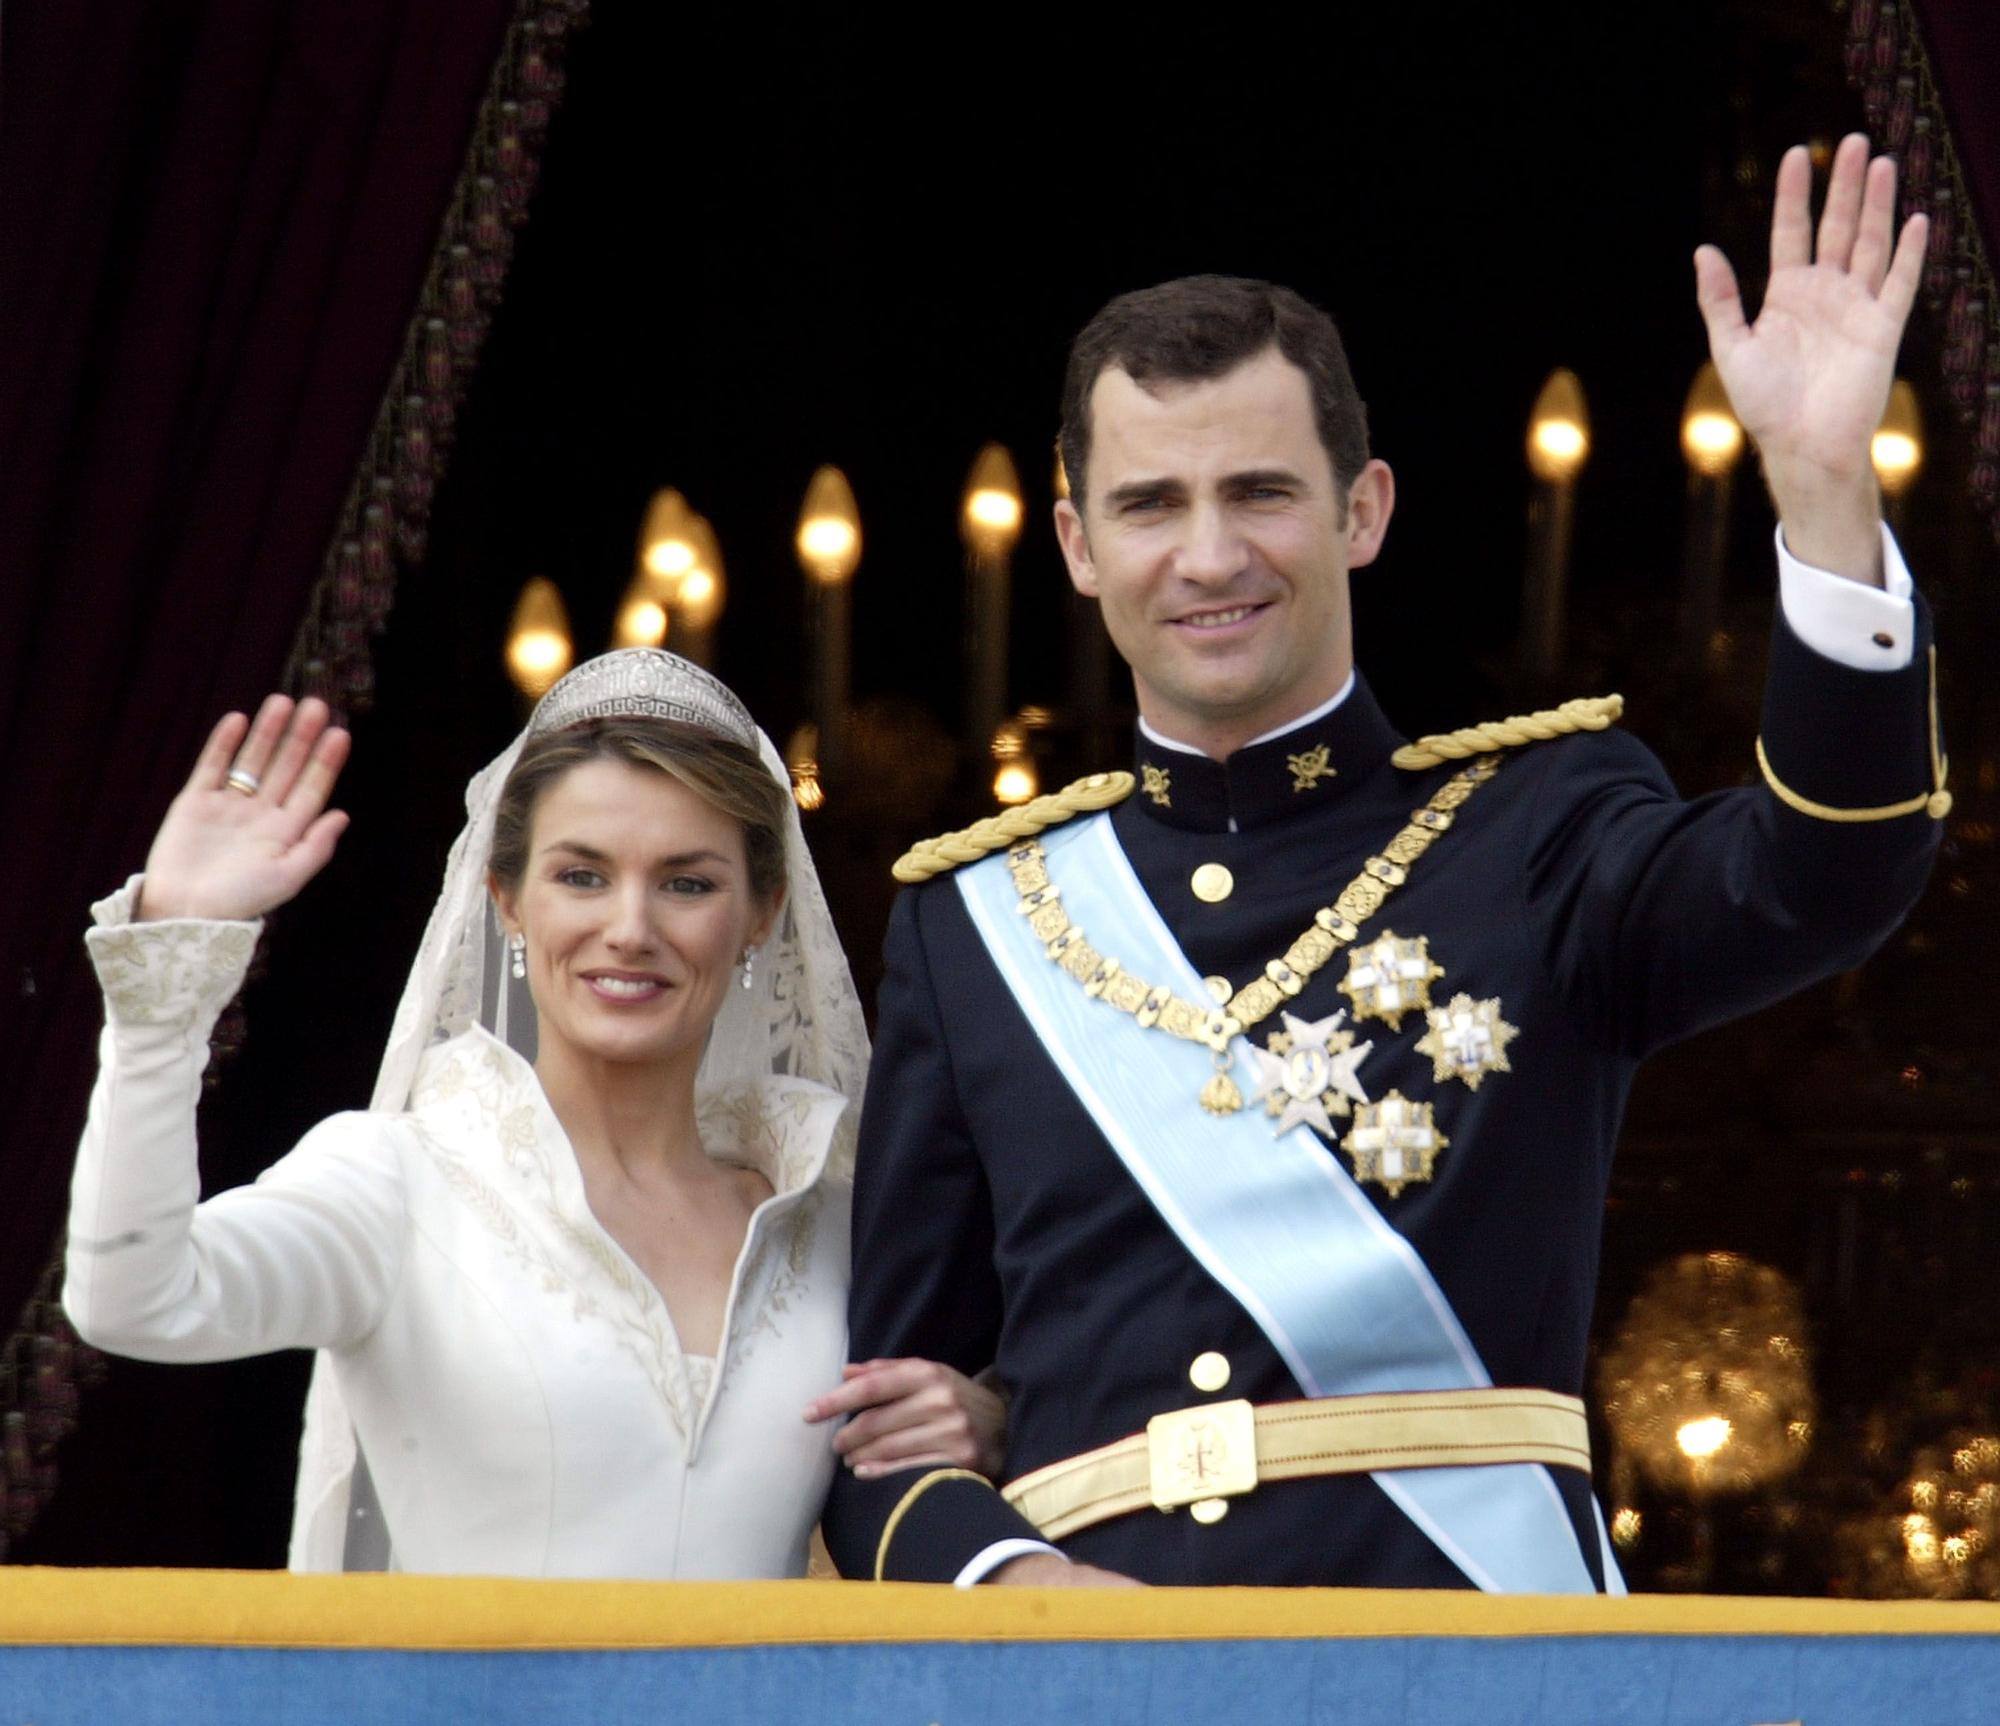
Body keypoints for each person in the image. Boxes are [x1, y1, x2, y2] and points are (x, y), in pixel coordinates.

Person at [820, 135, 1948, 1589]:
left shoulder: (1540, 824)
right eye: (1151, 505)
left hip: (1468, 1653)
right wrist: (1010, 1581)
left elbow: (1830, 873)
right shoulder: (972, 922)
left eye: (1263, 494)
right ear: (1078, 545)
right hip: (1095, 1682)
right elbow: (883, 1430)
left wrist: (1825, 500)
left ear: (1365, 512)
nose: (1210, 554)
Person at [64, 649, 1003, 1577]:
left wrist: (986, 1420)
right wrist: (164, 986)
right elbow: (135, 1299)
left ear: (762, 912)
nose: (630, 927)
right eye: (581, 876)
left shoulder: (834, 1216)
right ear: (506, 898)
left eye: (688, 882)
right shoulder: (395, 1181)